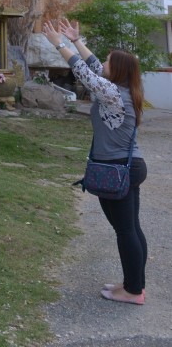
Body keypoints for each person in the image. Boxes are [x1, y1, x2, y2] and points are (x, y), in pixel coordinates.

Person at [43, 18, 147, 306]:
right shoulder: (123, 89)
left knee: (126, 230)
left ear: (119, 70)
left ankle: (134, 291)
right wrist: (77, 40)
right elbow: (94, 66)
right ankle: (133, 284)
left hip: (117, 169)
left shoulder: (112, 93)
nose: (104, 64)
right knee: (132, 228)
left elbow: (83, 71)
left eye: (110, 61)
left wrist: (59, 44)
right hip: (127, 166)